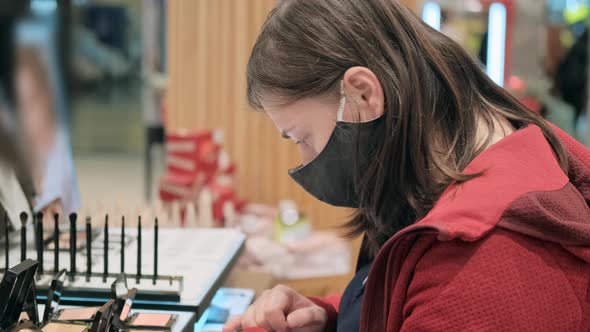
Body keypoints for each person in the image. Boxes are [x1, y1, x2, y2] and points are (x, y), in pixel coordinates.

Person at [223, 1, 590, 331]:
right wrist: (330, 318)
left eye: (302, 137)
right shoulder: (450, 179)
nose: (305, 160)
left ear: (363, 94)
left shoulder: (479, 265)